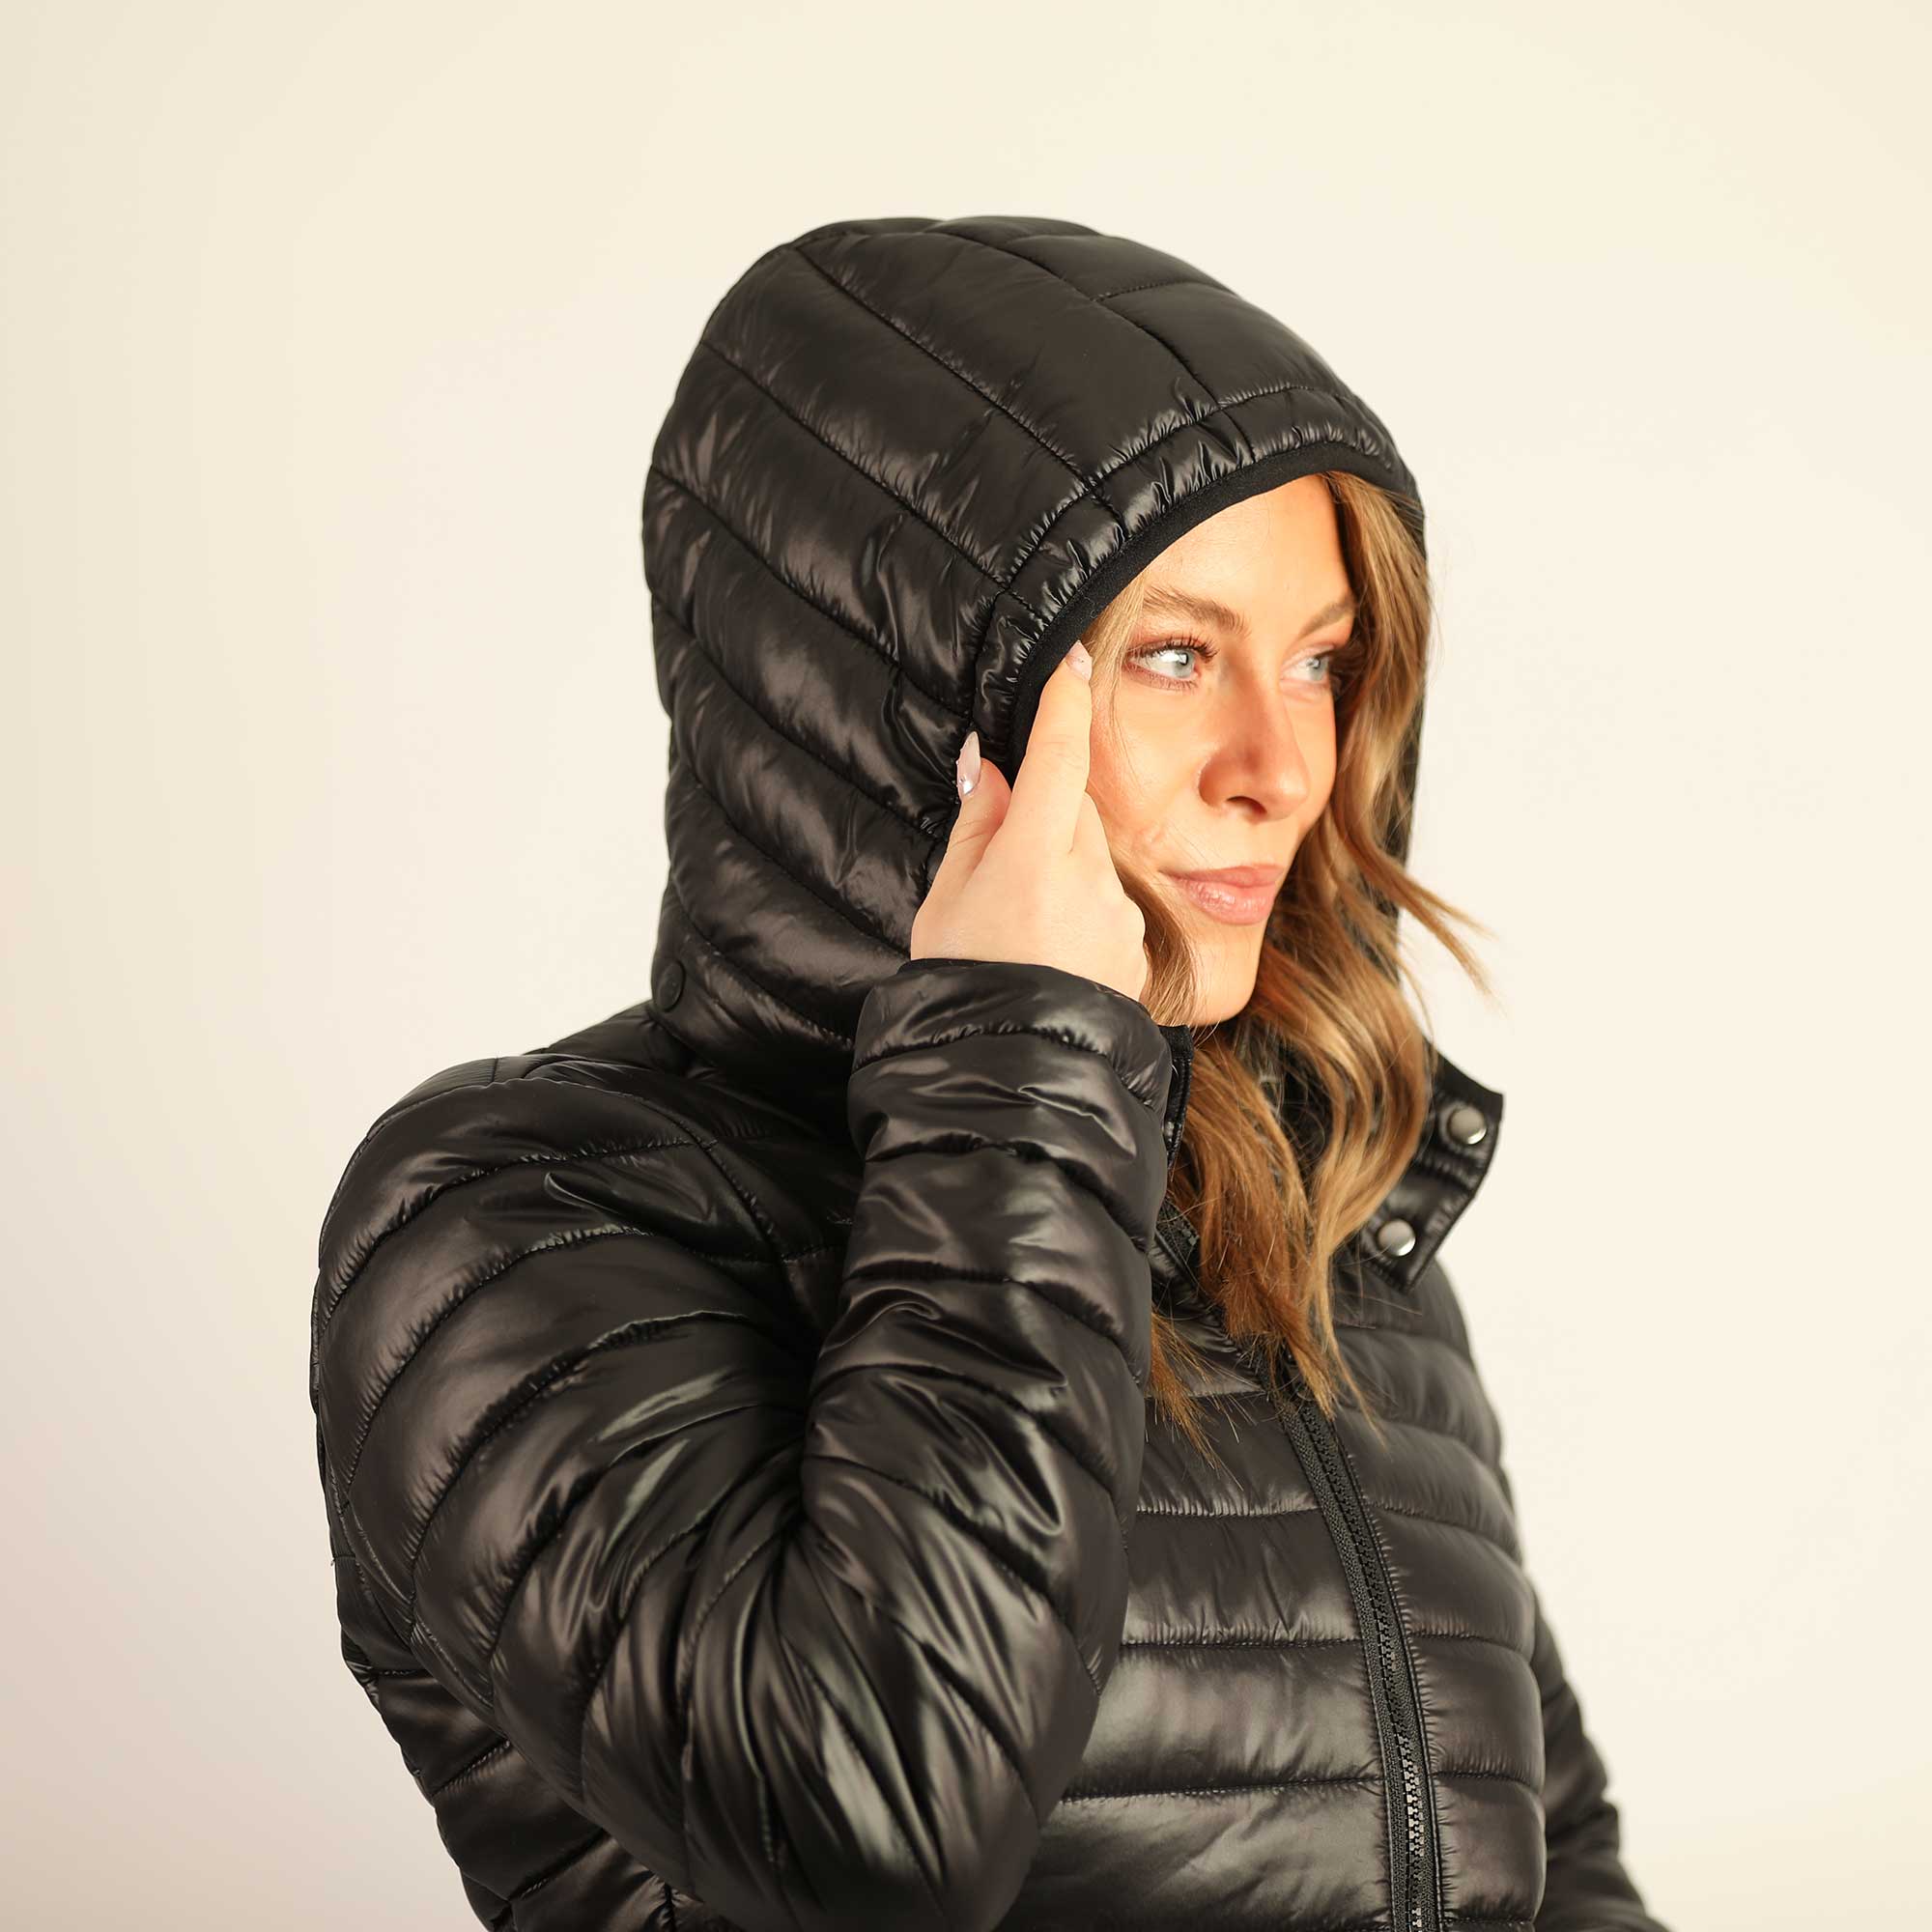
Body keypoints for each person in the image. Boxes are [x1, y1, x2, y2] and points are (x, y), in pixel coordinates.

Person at [309, 214, 1670, 1932]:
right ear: (906, 702)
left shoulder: (1308, 1214)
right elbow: (876, 1826)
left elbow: (1554, 1854)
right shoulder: (515, 1229)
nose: (1282, 767)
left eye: (1320, 660)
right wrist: (1015, 1061)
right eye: (1175, 654)